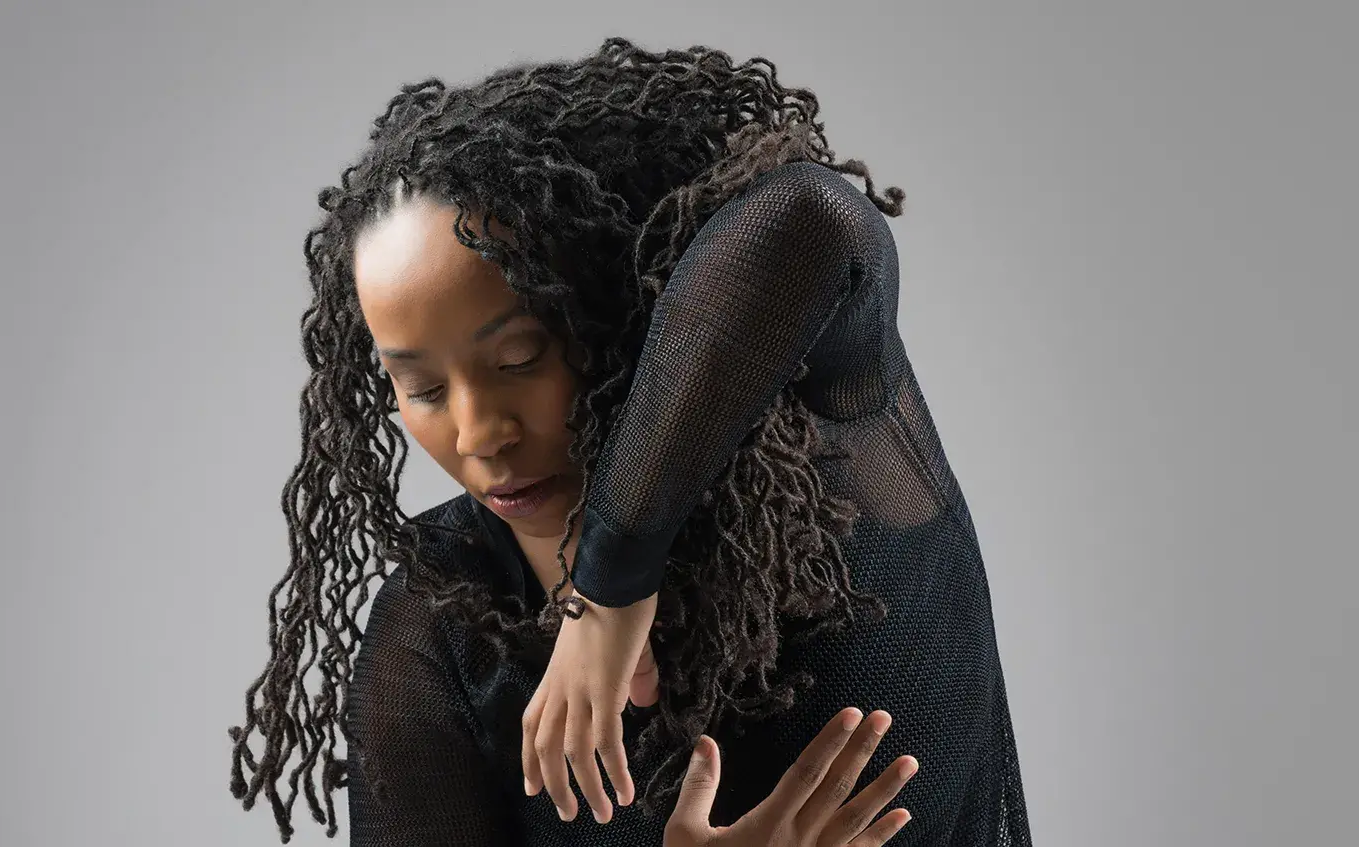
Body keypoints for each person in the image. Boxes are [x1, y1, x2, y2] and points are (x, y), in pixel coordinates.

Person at [228, 37, 1032, 846]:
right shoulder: (442, 622)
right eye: (424, 390)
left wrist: (608, 590)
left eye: (518, 359)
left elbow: (811, 219)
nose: (479, 435)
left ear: (620, 317)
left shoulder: (843, 466)